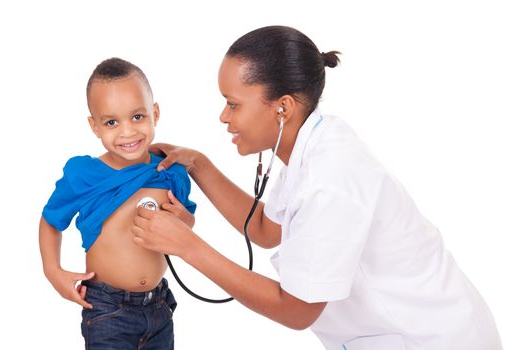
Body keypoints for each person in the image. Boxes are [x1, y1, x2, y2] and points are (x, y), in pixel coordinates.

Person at [131, 26, 502, 349]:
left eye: (233, 104)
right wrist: (199, 165)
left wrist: (186, 245)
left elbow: (296, 310)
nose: (224, 117)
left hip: (432, 340)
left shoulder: (330, 179)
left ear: (283, 108)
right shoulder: (316, 143)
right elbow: (265, 229)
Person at [39, 57, 196, 349]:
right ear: (95, 126)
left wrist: (186, 221)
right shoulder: (84, 175)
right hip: (107, 310)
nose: (127, 132)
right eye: (112, 122)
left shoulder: (170, 171)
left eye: (138, 117)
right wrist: (53, 270)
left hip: (159, 305)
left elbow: (186, 221)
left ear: (155, 113)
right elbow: (51, 220)